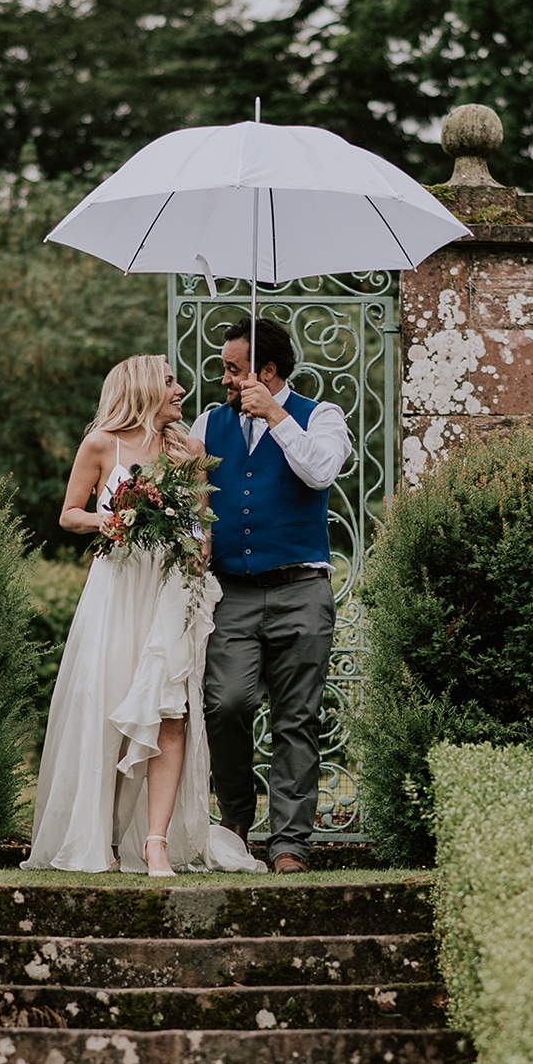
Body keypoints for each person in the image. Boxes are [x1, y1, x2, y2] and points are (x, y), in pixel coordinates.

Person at [24, 353, 261, 878]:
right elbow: (69, 514)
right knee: (109, 706)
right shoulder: (101, 444)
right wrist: (111, 520)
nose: (181, 390)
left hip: (171, 592)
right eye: (170, 381)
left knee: (169, 708)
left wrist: (197, 550)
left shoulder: (190, 451)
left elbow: (204, 525)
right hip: (117, 591)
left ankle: (155, 843)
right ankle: (101, 835)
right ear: (142, 388)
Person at [190, 316, 351, 874]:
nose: (225, 380)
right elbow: (189, 495)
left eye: (234, 371)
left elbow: (320, 471)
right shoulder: (209, 422)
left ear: (268, 371)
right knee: (225, 702)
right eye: (225, 370)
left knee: (296, 718)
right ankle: (235, 820)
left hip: (301, 590)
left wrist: (277, 417)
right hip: (231, 592)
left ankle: (289, 844)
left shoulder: (321, 416)